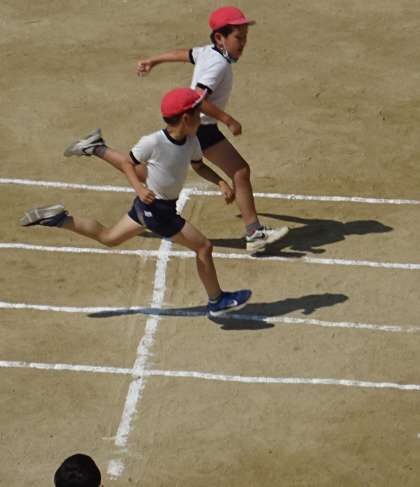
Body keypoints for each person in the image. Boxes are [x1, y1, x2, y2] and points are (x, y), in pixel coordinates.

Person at [20, 88, 251, 316]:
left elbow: (199, 166)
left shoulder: (192, 141)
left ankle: (59, 219)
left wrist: (220, 182)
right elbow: (128, 164)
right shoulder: (152, 142)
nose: (202, 117)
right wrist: (139, 189)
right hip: (157, 209)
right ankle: (217, 301)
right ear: (185, 118)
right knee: (203, 247)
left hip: (150, 208)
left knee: (109, 238)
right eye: (198, 112)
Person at [136, 6, 289, 252]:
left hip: (198, 126)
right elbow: (199, 97)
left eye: (245, 37)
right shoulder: (218, 64)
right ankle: (254, 232)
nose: (243, 43)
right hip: (203, 128)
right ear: (220, 38)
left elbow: (185, 54)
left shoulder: (208, 52)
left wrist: (154, 60)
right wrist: (228, 120)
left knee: (164, 166)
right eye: (238, 38)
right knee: (239, 171)